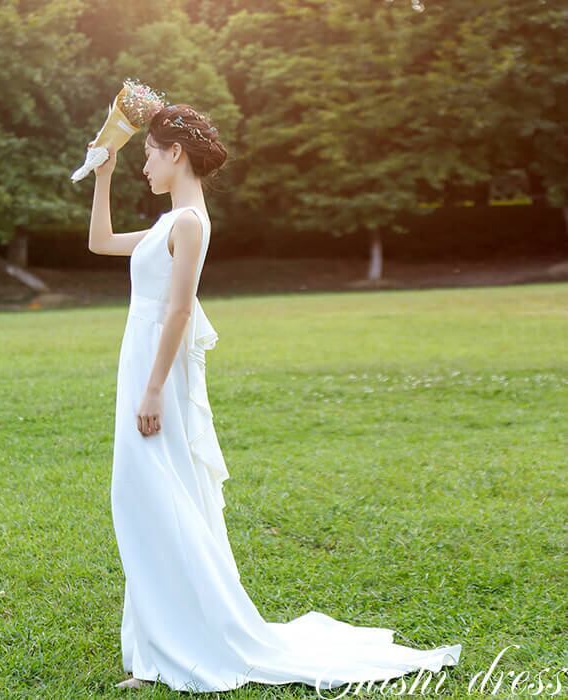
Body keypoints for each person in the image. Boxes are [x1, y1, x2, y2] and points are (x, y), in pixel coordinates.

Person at [87, 103, 462, 693]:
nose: (146, 167)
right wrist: (103, 173)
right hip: (139, 367)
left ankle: (179, 645)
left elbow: (180, 311)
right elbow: (101, 242)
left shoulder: (190, 224)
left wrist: (154, 390)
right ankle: (156, 647)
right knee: (142, 501)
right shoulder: (167, 224)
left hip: (157, 378)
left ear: (176, 153)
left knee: (156, 501)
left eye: (150, 155)